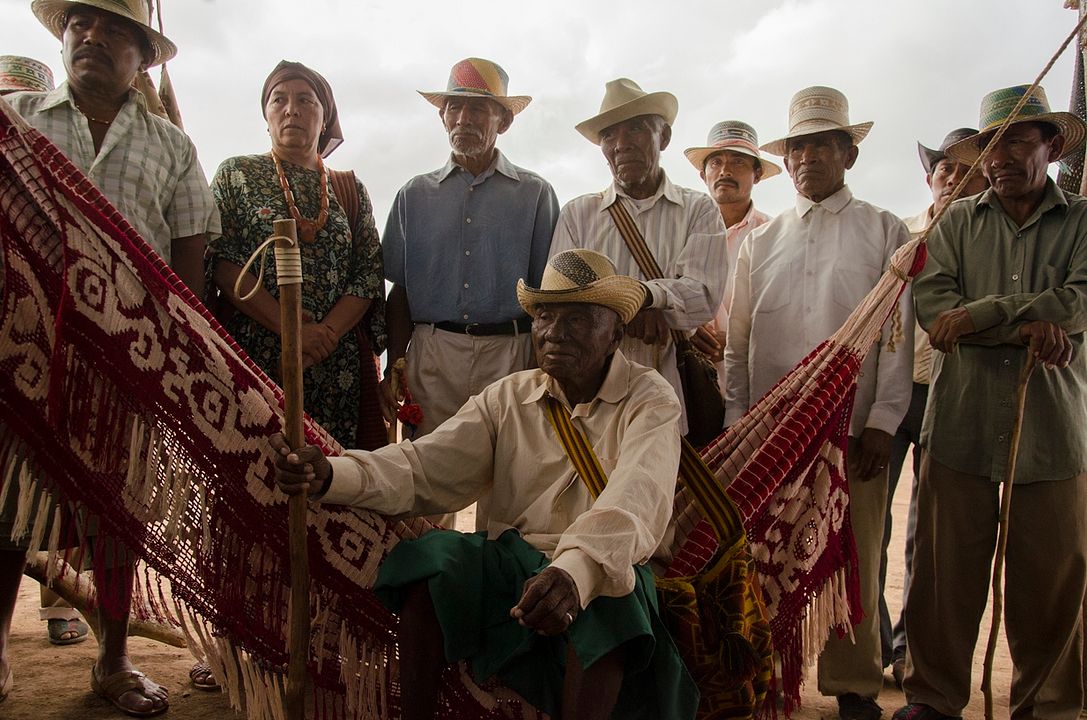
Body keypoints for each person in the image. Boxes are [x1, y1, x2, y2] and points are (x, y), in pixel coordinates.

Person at [273, 248, 697, 720]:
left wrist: (574, 572)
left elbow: (636, 499)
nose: (554, 333)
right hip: (517, 561)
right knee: (432, 561)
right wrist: (333, 472)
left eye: (577, 319)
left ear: (615, 334)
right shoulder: (508, 396)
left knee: (611, 593)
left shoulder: (650, 398)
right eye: (545, 317)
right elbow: (423, 468)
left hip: (604, 561)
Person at [1, 0, 219, 715]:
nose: (90, 38)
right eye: (78, 27)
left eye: (113, 30)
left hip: (126, 361)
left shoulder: (173, 147)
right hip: (21, 348)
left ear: (144, 58)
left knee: (115, 513)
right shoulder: (19, 121)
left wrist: (173, 356)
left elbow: (187, 262)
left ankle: (114, 660)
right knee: (5, 506)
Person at [896, 84, 1087, 720]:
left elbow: (1079, 303)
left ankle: (1048, 705)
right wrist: (1030, 320)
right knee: (943, 574)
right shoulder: (954, 222)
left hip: (1054, 429)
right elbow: (932, 309)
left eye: (1016, 140)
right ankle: (932, 697)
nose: (999, 157)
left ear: (1051, 145)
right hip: (960, 422)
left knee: (1052, 578)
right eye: (990, 145)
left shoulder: (1083, 220)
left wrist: (979, 316)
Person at [724, 85, 913, 720]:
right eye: (797, 146)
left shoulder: (884, 230)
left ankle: (855, 686)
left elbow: (897, 335)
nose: (807, 158)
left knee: (852, 554)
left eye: (822, 145)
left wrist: (885, 420)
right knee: (767, 555)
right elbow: (739, 344)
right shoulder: (761, 241)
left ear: (848, 155)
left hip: (853, 431)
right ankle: (764, 677)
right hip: (773, 435)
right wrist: (739, 423)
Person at [380, 57, 558, 527]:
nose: (463, 120)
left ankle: (498, 593)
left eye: (478, 110)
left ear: (503, 120)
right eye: (454, 108)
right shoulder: (413, 195)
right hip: (434, 354)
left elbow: (546, 297)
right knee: (425, 481)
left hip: (512, 352)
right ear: (442, 117)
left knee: (510, 483)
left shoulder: (536, 194)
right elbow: (398, 289)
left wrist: (545, 368)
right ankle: (423, 590)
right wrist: (394, 362)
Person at [207, 60, 386, 450]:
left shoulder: (350, 189)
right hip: (256, 359)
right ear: (266, 116)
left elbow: (367, 275)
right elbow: (223, 262)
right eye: (279, 100)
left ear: (326, 119)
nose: (292, 109)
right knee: (254, 473)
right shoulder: (235, 174)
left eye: (306, 100)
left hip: (333, 364)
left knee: (334, 483)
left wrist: (325, 335)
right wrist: (292, 332)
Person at [550, 78, 727, 435]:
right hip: (591, 398)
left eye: (636, 129)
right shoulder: (578, 214)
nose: (622, 144)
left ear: (663, 138)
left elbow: (704, 295)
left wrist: (651, 296)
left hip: (671, 392)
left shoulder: (699, 209)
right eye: (610, 135)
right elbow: (559, 300)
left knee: (666, 486)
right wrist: (638, 308)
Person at [878, 127, 987, 688]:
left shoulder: (985, 243)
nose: (957, 182)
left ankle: (908, 651)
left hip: (954, 393)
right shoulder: (902, 236)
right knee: (874, 522)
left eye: (970, 173)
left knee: (931, 530)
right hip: (897, 392)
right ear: (931, 179)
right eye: (948, 171)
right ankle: (874, 644)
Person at [0, 53, 93, 649]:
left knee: (77, 486)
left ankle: (62, 606)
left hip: (82, 341)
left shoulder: (57, 145)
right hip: (10, 337)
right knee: (6, 496)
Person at [684, 120, 781, 389]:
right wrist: (687, 331)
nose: (725, 171)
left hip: (752, 385)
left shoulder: (774, 236)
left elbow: (784, 314)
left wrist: (739, 341)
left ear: (757, 174)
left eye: (738, 162)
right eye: (716, 162)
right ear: (703, 175)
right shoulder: (680, 231)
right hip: (686, 381)